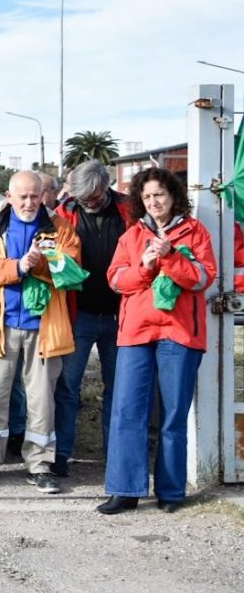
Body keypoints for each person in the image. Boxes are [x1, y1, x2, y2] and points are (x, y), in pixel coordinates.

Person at [98, 168, 216, 515]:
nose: (154, 202)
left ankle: (171, 491)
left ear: (173, 196)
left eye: (159, 195)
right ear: (140, 201)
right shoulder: (132, 236)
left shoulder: (196, 233)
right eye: (147, 197)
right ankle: (125, 490)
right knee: (127, 411)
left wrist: (170, 256)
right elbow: (117, 280)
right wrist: (147, 266)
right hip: (137, 332)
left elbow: (202, 278)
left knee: (173, 414)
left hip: (180, 333)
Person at [0, 171, 80, 494]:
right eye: (22, 196)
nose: (29, 202)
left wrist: (40, 264)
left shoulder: (60, 228)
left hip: (45, 328)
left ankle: (40, 466)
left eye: (34, 195)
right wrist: (18, 267)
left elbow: (71, 272)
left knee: (42, 400)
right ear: (9, 197)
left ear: (43, 195)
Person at [52, 159, 132, 478]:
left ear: (106, 187)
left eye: (93, 196)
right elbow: (49, 249)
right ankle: (61, 453)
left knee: (118, 388)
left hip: (120, 314)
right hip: (78, 313)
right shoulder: (64, 212)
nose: (88, 202)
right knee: (67, 386)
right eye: (82, 197)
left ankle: (115, 453)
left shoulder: (128, 209)